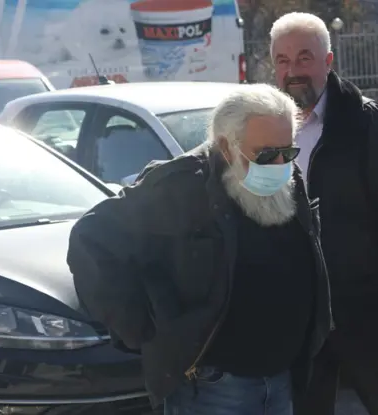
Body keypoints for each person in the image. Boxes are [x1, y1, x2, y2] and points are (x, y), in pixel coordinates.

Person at [66, 84, 332, 415]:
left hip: (281, 380)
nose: (279, 163)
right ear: (226, 145)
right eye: (266, 154)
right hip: (212, 388)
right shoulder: (180, 186)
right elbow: (92, 239)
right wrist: (141, 330)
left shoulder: (287, 177)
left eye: (287, 152)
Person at [269, 12, 378, 415]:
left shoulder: (367, 124)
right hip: (299, 313)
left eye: (304, 58)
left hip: (365, 307)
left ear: (328, 61)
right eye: (283, 60)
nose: (293, 71)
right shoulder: (267, 129)